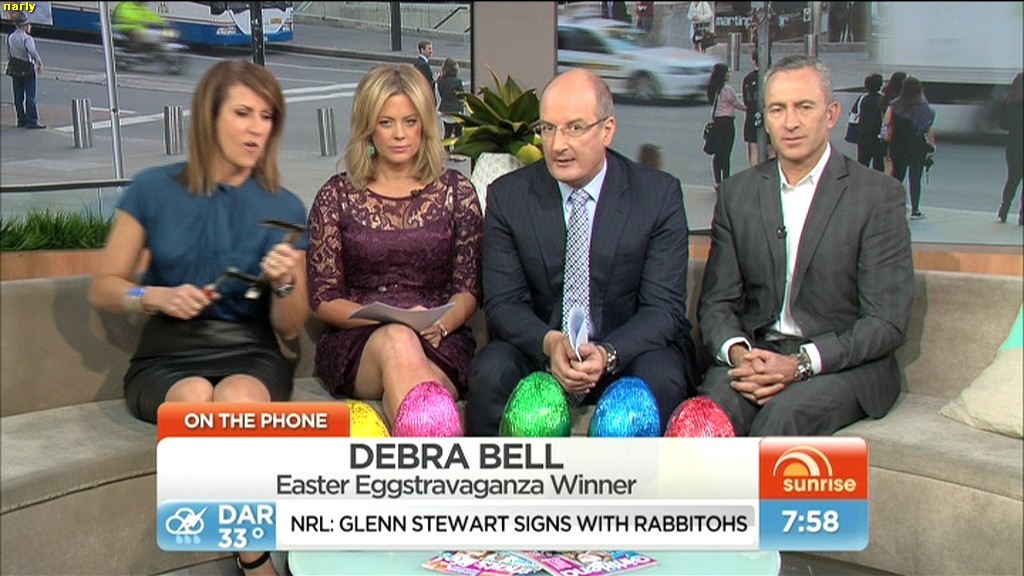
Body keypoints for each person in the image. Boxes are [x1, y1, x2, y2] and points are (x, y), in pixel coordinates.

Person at [88, 60, 308, 576]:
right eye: (243, 113)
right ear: (210, 117)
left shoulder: (285, 206)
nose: (257, 129)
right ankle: (255, 557)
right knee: (193, 398)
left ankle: (246, 554)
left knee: (236, 400)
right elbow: (104, 287)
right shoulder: (152, 190)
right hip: (167, 353)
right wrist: (153, 296)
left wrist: (285, 283)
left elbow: (291, 327)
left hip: (250, 350)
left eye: (267, 116)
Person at [465, 68, 696, 436]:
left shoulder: (657, 196)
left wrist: (607, 353)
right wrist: (550, 343)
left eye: (574, 128)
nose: (558, 145)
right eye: (548, 129)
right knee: (490, 371)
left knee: (662, 374)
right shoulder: (509, 197)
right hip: (541, 352)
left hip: (627, 353)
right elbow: (504, 303)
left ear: (607, 130)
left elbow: (664, 309)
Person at [697, 55, 914, 436]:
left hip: (839, 365)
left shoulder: (878, 196)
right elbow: (717, 303)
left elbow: (886, 321)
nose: (790, 122)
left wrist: (800, 363)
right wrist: (740, 354)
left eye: (804, 107)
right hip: (758, 356)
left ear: (831, 114)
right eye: (777, 109)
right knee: (706, 419)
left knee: (781, 419)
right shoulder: (737, 194)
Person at [306, 64, 482, 431]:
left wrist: (443, 324)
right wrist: (393, 318)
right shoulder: (336, 197)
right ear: (369, 127)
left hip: (440, 337)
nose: (400, 134)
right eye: (387, 123)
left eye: (410, 121)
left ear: (424, 125)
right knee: (399, 340)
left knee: (416, 387)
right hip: (360, 341)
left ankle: (415, 453)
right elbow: (324, 299)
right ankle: (436, 459)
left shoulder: (457, 192)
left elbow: (468, 289)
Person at [884, 76, 936, 219]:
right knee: (915, 178)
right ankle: (915, 210)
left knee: (897, 177)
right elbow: (928, 129)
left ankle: (894, 206)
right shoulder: (924, 107)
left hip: (898, 145)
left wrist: (886, 142)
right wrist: (932, 147)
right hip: (917, 146)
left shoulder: (894, 105)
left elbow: (887, 124)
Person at [707, 63, 746, 189]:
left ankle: (717, 181)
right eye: (727, 72)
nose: (729, 74)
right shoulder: (728, 90)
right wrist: (749, 108)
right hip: (727, 124)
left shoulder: (712, 89)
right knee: (726, 153)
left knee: (718, 154)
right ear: (723, 75)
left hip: (717, 122)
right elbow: (737, 104)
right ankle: (726, 180)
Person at [6, 13, 45, 129]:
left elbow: (9, 54)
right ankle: (32, 121)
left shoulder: (10, 37)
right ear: (25, 26)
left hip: (15, 68)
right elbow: (32, 52)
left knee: (18, 96)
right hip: (27, 68)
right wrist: (39, 62)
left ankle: (21, 119)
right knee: (30, 96)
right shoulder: (27, 39)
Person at [996, 72, 1023, 225]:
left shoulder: (1008, 103)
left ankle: (1003, 211)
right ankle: (1022, 216)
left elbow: (1003, 124)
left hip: (1013, 146)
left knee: (1012, 180)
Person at [741, 50, 768, 166]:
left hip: (752, 115)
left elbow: (745, 100)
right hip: (768, 114)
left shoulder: (748, 79)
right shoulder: (770, 78)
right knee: (771, 148)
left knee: (753, 148)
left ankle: (755, 173)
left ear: (753, 61)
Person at [855, 73, 885, 171]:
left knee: (862, 165)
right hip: (878, 137)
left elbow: (855, 114)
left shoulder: (862, 99)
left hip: (863, 135)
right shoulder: (883, 100)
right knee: (878, 165)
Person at [879, 71, 906, 175]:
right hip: (897, 135)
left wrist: (883, 136)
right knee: (898, 167)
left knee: (887, 164)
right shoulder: (900, 100)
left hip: (886, 135)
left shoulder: (885, 96)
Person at [437, 57, 465, 143]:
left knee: (447, 132)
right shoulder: (458, 81)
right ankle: (457, 149)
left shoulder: (440, 80)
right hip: (456, 111)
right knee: (458, 133)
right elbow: (462, 96)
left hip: (445, 110)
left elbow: (440, 93)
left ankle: (446, 149)